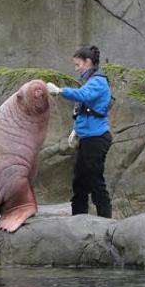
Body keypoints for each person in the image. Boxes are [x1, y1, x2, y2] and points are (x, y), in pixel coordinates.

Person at [46, 45, 113, 218]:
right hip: (87, 138)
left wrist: (60, 91)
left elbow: (83, 95)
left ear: (88, 62)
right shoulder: (91, 80)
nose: (76, 69)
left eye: (78, 65)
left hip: (96, 139)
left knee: (95, 181)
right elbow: (85, 110)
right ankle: (78, 219)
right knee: (80, 181)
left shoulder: (98, 81)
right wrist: (76, 130)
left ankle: (105, 221)